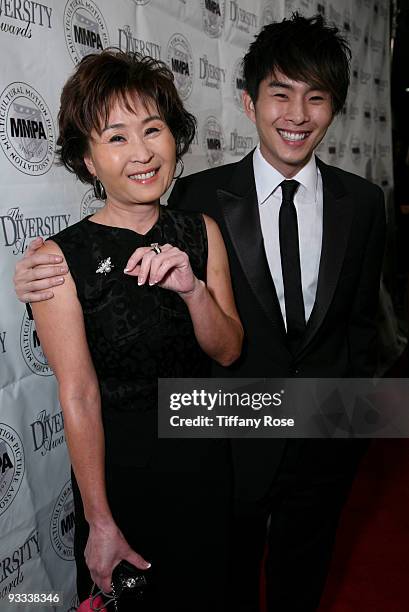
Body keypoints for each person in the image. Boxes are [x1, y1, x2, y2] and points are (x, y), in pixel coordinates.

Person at [14, 13, 386, 612]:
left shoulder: (364, 203)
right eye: (280, 93)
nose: (296, 114)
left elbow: (363, 325)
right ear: (248, 101)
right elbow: (80, 376)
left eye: (315, 98)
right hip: (226, 450)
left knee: (298, 579)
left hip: (314, 440)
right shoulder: (198, 196)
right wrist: (29, 274)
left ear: (335, 108)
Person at [19, 49, 243, 611]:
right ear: (89, 161)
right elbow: (78, 394)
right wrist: (98, 518)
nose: (142, 153)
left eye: (153, 130)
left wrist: (193, 289)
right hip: (122, 475)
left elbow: (230, 349)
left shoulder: (201, 231)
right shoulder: (58, 257)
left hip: (203, 460)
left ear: (175, 138)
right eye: (116, 137)